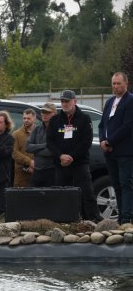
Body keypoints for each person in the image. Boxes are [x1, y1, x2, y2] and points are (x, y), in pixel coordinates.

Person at [47, 90, 101, 222]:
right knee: (61, 194)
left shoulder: (84, 118)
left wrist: (71, 156)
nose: (64, 104)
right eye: (62, 101)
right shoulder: (55, 120)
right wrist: (61, 156)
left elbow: (86, 141)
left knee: (87, 193)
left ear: (75, 101)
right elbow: (50, 142)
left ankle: (93, 220)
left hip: (79, 164)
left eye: (67, 101)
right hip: (61, 165)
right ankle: (62, 220)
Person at [99, 72, 133, 224]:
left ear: (126, 84)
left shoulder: (130, 101)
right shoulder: (109, 102)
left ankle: (126, 218)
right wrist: (102, 140)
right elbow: (102, 125)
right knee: (116, 185)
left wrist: (110, 141)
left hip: (124, 152)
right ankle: (120, 217)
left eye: (119, 83)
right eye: (113, 83)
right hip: (109, 152)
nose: (116, 86)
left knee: (126, 184)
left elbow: (127, 126)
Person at [26, 102, 57, 187]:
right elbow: (28, 147)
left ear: (54, 114)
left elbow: (53, 151)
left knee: (50, 198)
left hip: (52, 171)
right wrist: (44, 145)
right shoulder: (37, 129)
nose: (44, 114)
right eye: (43, 112)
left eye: (47, 112)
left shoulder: (59, 129)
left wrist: (36, 150)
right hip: (37, 171)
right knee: (34, 198)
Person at [11, 108, 37, 187]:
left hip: (38, 173)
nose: (26, 120)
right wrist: (30, 162)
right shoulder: (16, 134)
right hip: (21, 176)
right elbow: (14, 153)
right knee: (21, 198)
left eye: (28, 118)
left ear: (35, 119)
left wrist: (37, 164)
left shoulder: (40, 132)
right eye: (24, 118)